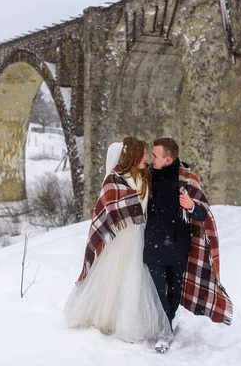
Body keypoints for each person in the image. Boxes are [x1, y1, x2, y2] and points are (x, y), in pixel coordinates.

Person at [64, 137, 172, 344]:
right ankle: (105, 316)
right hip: (119, 236)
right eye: (142, 154)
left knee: (134, 277)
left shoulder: (145, 176)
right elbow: (106, 210)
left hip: (138, 235)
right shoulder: (114, 180)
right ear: (132, 156)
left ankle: (128, 320)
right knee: (113, 275)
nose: (146, 158)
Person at [145, 137, 233, 353]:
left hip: (178, 246)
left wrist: (192, 205)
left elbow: (204, 214)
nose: (150, 158)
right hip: (153, 242)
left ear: (167, 159)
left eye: (155, 155)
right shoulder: (146, 176)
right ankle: (165, 332)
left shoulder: (187, 179)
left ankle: (167, 326)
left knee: (174, 291)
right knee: (157, 290)